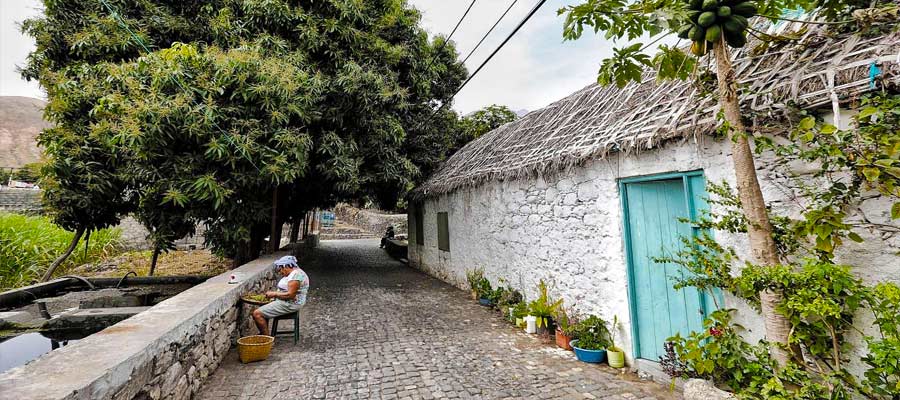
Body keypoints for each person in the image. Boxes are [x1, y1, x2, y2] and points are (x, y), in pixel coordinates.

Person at [251, 255, 309, 336]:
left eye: (281, 268)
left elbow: (290, 295)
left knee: (257, 314)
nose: (280, 271)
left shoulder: (296, 276)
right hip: (288, 301)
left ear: (286, 266)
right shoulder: (295, 273)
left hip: (290, 303)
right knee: (263, 309)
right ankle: (264, 334)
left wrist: (274, 294)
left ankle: (267, 339)